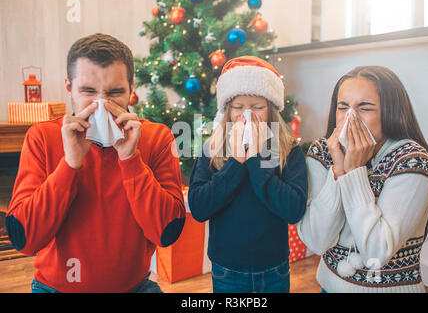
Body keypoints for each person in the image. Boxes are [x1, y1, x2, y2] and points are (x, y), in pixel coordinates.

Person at [6, 33, 186, 293]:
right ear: (69, 88)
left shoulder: (156, 137)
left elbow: (167, 232)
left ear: (131, 89)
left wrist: (130, 159)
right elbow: (24, 238)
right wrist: (70, 164)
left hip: (134, 287)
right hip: (56, 288)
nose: (102, 104)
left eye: (115, 92)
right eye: (88, 91)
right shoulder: (42, 137)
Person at [298, 66, 428, 293]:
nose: (350, 117)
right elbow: (317, 242)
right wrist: (338, 170)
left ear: (390, 112)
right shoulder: (323, 152)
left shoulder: (411, 160)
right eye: (342, 107)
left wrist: (355, 171)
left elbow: (377, 253)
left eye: (364, 108)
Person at [188, 56, 308, 293]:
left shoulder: (289, 151)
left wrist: (255, 161)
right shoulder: (212, 151)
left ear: (271, 110)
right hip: (226, 270)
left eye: (257, 107)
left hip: (274, 268)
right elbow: (199, 208)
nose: (247, 115)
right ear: (227, 111)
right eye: (238, 107)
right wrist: (235, 163)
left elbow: (294, 210)